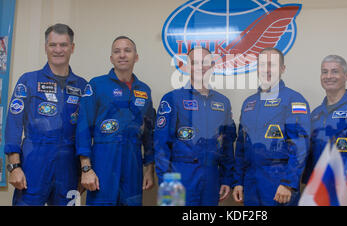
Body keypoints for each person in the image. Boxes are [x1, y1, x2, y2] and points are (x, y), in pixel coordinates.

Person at [4, 23, 87, 205]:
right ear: (45, 47)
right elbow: (13, 125)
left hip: (69, 167)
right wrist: (14, 166)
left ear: (72, 48)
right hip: (34, 162)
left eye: (63, 45)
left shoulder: (82, 86)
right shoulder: (29, 80)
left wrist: (84, 169)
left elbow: (85, 132)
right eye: (53, 45)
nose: (58, 50)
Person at [76, 36, 155, 206]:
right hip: (103, 161)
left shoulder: (144, 91)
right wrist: (86, 168)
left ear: (136, 56)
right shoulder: (96, 85)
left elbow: (148, 134)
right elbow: (83, 128)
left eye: (127, 50)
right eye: (117, 51)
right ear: (111, 58)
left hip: (133, 163)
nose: (122, 55)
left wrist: (149, 169)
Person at [154, 47, 236, 206]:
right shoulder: (172, 99)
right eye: (194, 63)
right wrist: (167, 183)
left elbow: (226, 146)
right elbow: (161, 145)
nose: (200, 67)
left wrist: (226, 179)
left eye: (204, 62)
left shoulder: (222, 102)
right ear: (186, 66)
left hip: (211, 177)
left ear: (212, 65)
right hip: (179, 175)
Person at [232, 47, 310, 206]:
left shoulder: (293, 100)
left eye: (272, 65)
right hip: (251, 181)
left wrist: (288, 182)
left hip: (279, 182)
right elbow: (241, 147)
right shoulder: (249, 103)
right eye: (262, 64)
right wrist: (238, 181)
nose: (266, 69)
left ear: (282, 69)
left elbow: (300, 145)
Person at [302, 55, 347, 186]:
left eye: (335, 71)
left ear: (346, 76)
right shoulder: (315, 114)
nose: (329, 76)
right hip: (318, 191)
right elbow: (310, 157)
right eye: (324, 72)